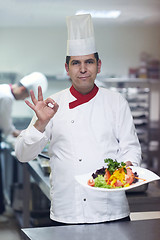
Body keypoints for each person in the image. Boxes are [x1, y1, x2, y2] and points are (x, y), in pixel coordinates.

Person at [15, 14, 141, 225]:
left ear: (98, 65)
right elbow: (22, 155)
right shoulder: (51, 104)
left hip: (111, 211)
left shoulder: (116, 102)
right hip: (67, 213)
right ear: (67, 68)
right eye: (76, 63)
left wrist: (127, 167)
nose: (83, 69)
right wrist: (40, 124)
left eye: (89, 62)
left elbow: (131, 148)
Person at [0, 72, 48, 223]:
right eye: (26, 96)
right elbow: (8, 129)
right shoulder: (6, 97)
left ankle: (1, 210)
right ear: (22, 90)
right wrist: (28, 133)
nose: (25, 99)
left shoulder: (3, 90)